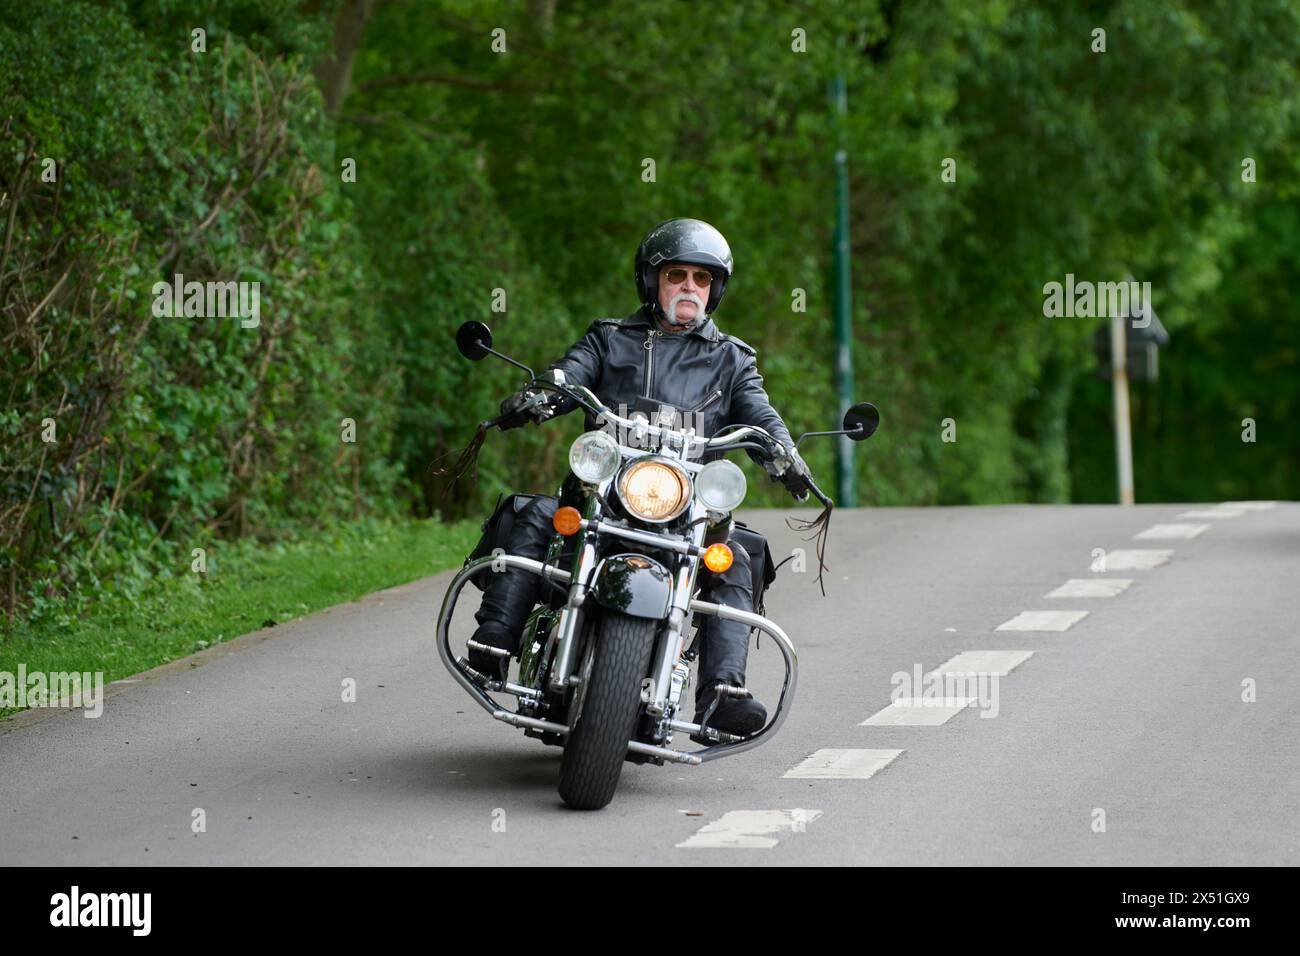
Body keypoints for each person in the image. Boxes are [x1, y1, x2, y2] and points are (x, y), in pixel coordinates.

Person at [468, 217, 813, 739]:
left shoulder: (732, 360)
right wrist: (543, 393)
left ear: (715, 289)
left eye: (702, 279)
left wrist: (785, 452)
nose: (689, 288)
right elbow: (571, 372)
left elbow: (761, 415)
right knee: (539, 514)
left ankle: (722, 693)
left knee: (735, 554)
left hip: (684, 512)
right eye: (677, 275)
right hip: (602, 497)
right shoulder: (609, 338)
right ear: (652, 281)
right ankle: (495, 640)